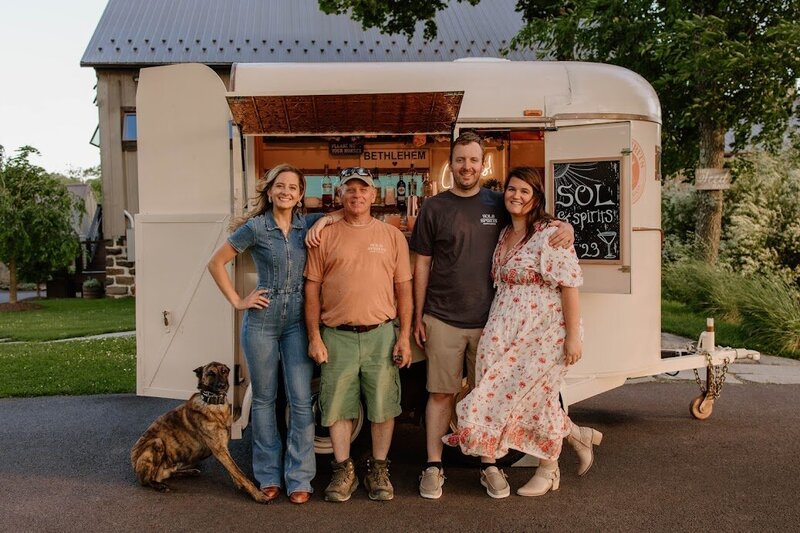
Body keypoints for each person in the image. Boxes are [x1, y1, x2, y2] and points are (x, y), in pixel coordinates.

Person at [410, 132, 574, 499]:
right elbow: (420, 264)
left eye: (473, 160)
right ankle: (434, 467)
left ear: (482, 164)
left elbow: (535, 215)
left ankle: (490, 465)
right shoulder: (434, 208)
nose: (466, 167)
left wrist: (567, 226)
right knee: (441, 394)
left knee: (490, 393)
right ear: (449, 165)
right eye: (459, 160)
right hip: (442, 317)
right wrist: (417, 315)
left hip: (493, 324)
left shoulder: (499, 202)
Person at [443, 166, 602, 497]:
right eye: (512, 189)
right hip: (502, 325)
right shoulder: (503, 234)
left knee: (540, 395)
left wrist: (572, 336)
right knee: (493, 391)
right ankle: (576, 434)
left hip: (544, 328)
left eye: (524, 191)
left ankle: (549, 469)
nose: (516, 196)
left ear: (536, 198)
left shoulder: (550, 235)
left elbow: (569, 286)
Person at [207, 163, 339, 505]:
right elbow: (215, 263)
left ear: (299, 195)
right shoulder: (255, 228)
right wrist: (239, 300)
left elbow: (341, 213)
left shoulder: (305, 224)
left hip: (297, 320)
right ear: (270, 191)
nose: (286, 191)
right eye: (280, 186)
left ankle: (299, 478)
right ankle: (268, 475)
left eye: (293, 187)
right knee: (264, 400)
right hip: (262, 321)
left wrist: (322, 219)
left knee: (299, 399)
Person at [304, 167, 413, 503]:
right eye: (349, 189)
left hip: (381, 334)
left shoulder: (391, 236)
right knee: (337, 407)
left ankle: (379, 468)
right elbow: (312, 290)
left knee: (383, 406)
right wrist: (314, 337)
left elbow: (404, 290)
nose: (356, 195)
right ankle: (342, 470)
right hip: (336, 335)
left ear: (374, 195)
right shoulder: (324, 235)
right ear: (340, 195)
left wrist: (404, 335)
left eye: (363, 189)